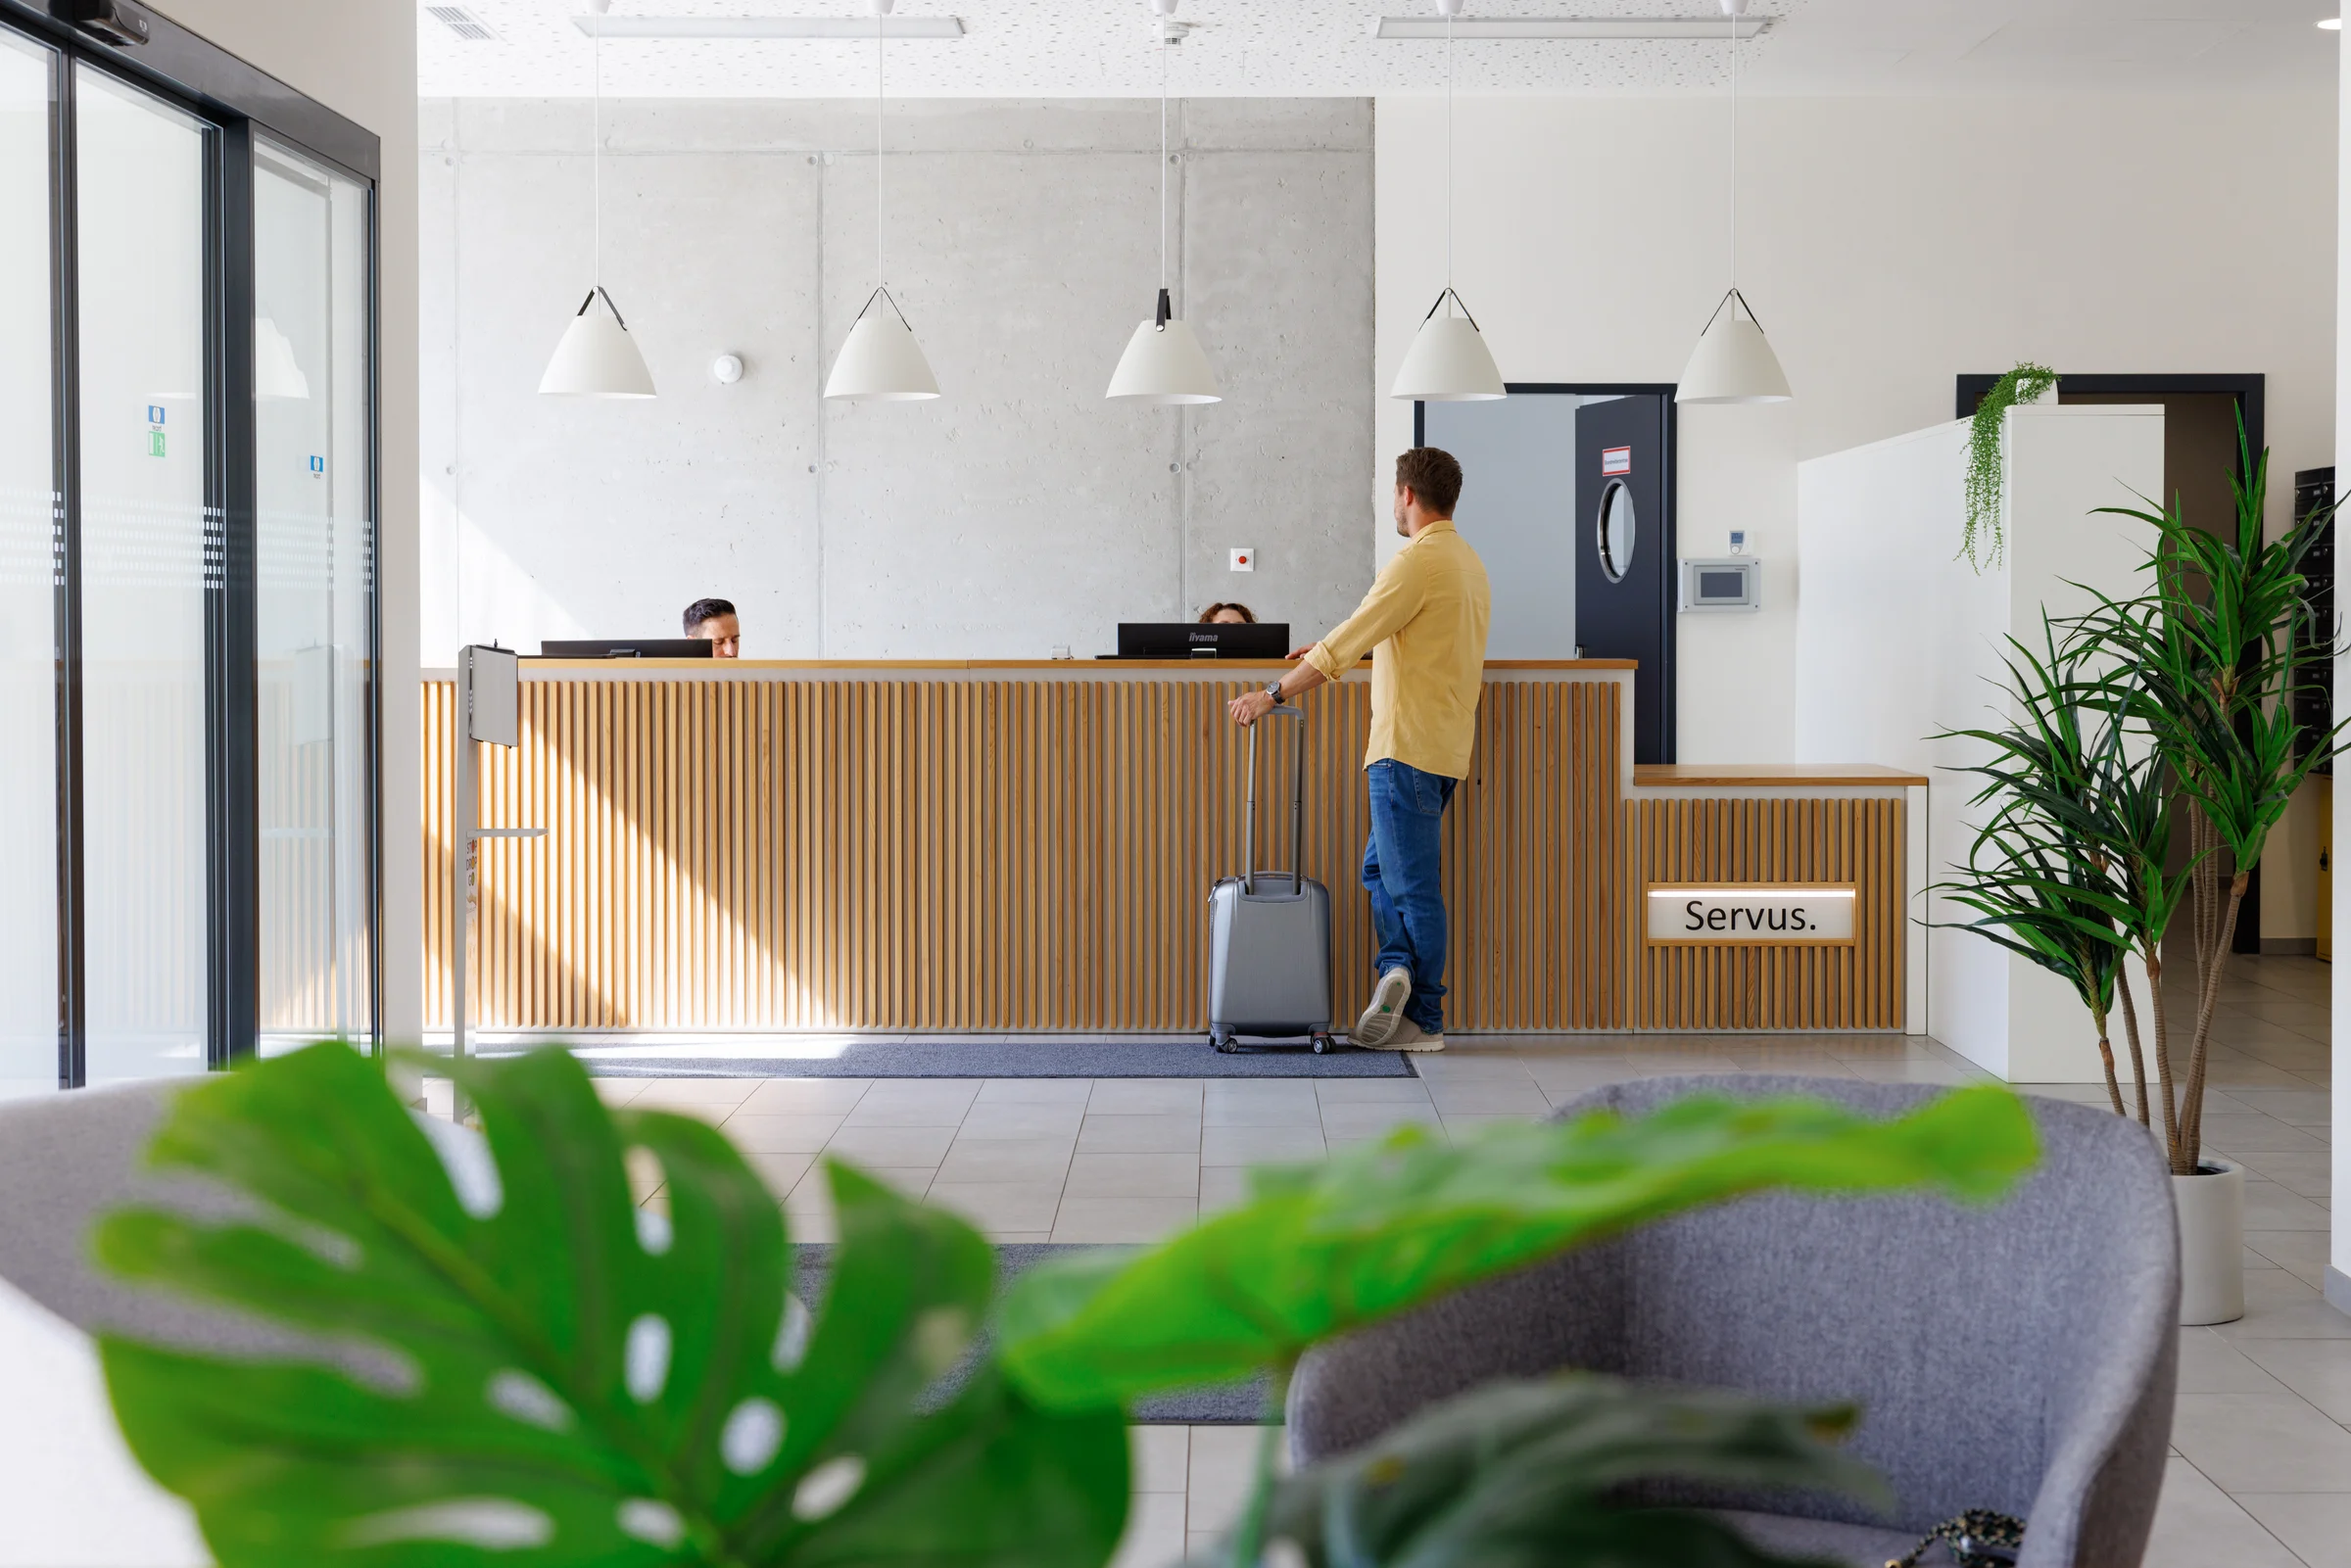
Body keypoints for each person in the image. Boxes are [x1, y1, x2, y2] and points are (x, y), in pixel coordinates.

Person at [1225, 448, 1490, 1053]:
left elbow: (1345, 643)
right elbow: (1409, 635)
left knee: (1413, 887)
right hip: (1444, 748)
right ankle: (1396, 970)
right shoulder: (1466, 563)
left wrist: (1272, 694)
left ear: (1407, 495)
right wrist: (1342, 645)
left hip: (1405, 749)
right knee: (1382, 871)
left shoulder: (1416, 562)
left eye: (1394, 494)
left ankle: (1424, 1017)